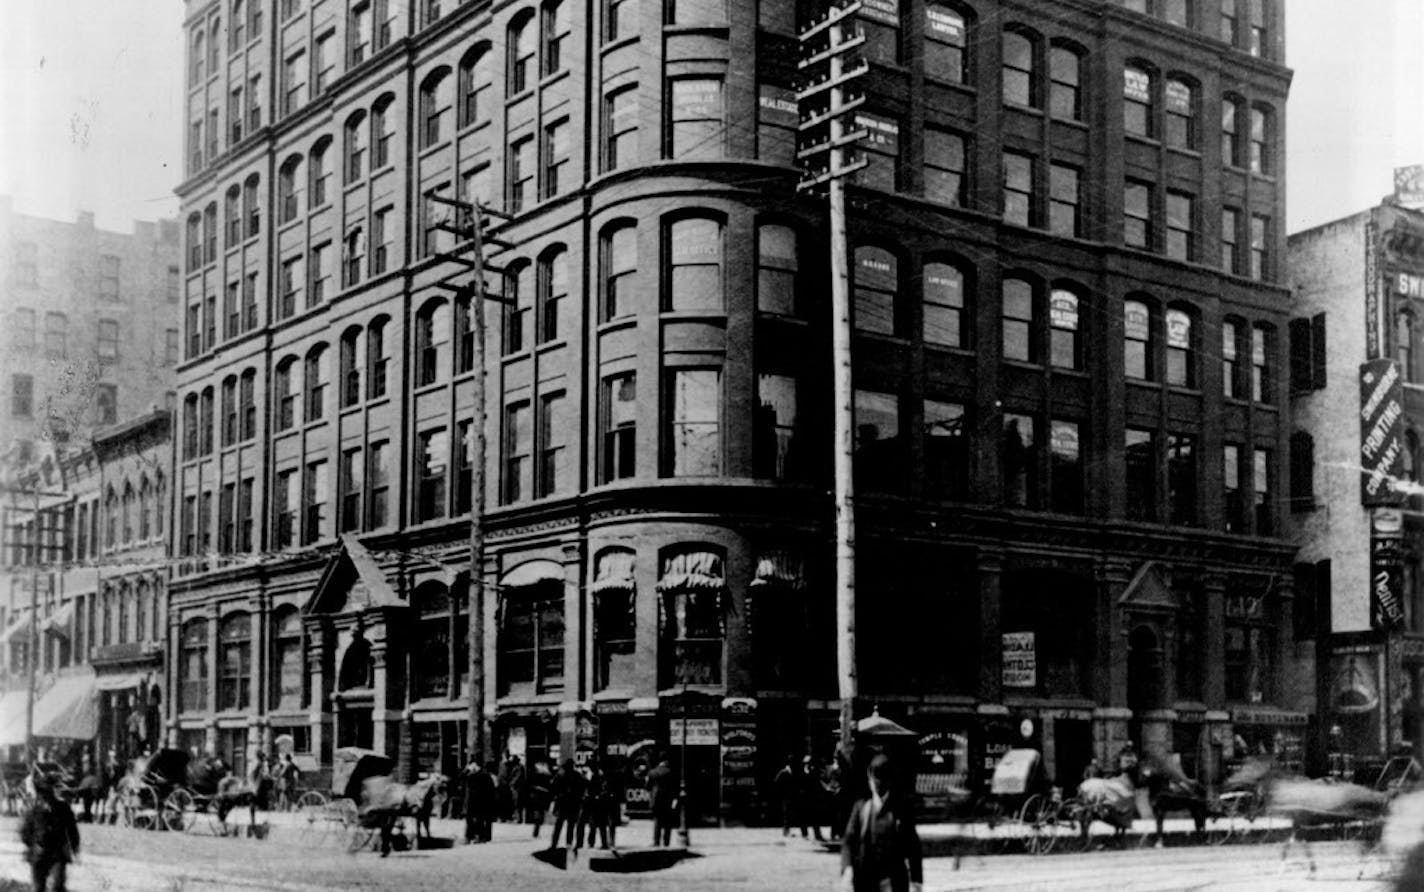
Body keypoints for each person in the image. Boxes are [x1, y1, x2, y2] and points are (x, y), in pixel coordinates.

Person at [839, 754, 923, 892]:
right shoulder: (861, 808)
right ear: (869, 779)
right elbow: (848, 841)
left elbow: (913, 846)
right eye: (874, 780)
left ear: (889, 781)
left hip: (893, 882)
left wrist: (916, 882)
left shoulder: (900, 809)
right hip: (864, 881)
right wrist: (847, 868)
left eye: (881, 780)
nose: (877, 785)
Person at [20, 769, 80, 892]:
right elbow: (25, 832)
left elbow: (72, 831)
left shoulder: (63, 809)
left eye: (48, 792)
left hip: (57, 854)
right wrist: (34, 845)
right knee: (38, 888)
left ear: (53, 792)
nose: (46, 797)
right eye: (43, 793)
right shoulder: (33, 811)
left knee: (56, 886)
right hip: (38, 855)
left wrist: (74, 848)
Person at [547, 759, 586, 851]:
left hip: (564, 803)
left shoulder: (561, 776)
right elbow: (582, 788)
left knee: (560, 825)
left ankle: (555, 844)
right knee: (569, 825)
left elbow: (553, 788)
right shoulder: (577, 776)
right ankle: (568, 844)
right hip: (571, 804)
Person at [576, 759, 614, 852]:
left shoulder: (597, 775)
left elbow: (601, 788)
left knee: (593, 823)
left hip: (593, 802)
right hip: (592, 802)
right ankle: (591, 842)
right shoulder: (594, 774)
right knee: (595, 823)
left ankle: (587, 842)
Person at [461, 756, 496, 844]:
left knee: (479, 819)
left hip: (480, 801)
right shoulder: (470, 775)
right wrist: (466, 770)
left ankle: (479, 837)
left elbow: (489, 790)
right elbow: (461, 777)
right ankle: (469, 837)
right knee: (469, 820)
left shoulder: (484, 775)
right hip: (469, 801)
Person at [646, 755, 678, 847]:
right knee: (668, 822)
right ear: (666, 761)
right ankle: (666, 842)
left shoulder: (652, 772)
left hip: (656, 799)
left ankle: (656, 841)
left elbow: (647, 787)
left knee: (657, 821)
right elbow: (674, 788)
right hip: (668, 799)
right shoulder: (670, 772)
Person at [801, 756, 828, 842]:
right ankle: (804, 834)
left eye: (809, 763)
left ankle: (817, 835)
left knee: (816, 817)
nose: (808, 764)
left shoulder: (814, 771)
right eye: (806, 763)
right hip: (804, 797)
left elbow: (818, 782)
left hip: (813, 797)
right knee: (804, 817)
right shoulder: (801, 772)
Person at [774, 755, 799, 837]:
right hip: (785, 796)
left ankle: (787, 831)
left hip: (791, 796)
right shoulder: (784, 772)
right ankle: (785, 832)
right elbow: (776, 782)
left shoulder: (793, 772)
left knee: (790, 814)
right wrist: (781, 792)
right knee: (786, 814)